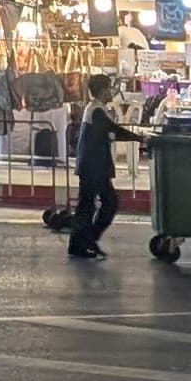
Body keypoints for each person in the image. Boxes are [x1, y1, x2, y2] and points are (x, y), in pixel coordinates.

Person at [66, 72, 124, 260]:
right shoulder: (96, 111)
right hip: (94, 166)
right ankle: (89, 238)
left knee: (87, 205)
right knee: (108, 203)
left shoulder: (95, 109)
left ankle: (79, 243)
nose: (112, 92)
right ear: (102, 90)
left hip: (91, 165)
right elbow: (111, 130)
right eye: (109, 88)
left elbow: (110, 131)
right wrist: (140, 138)